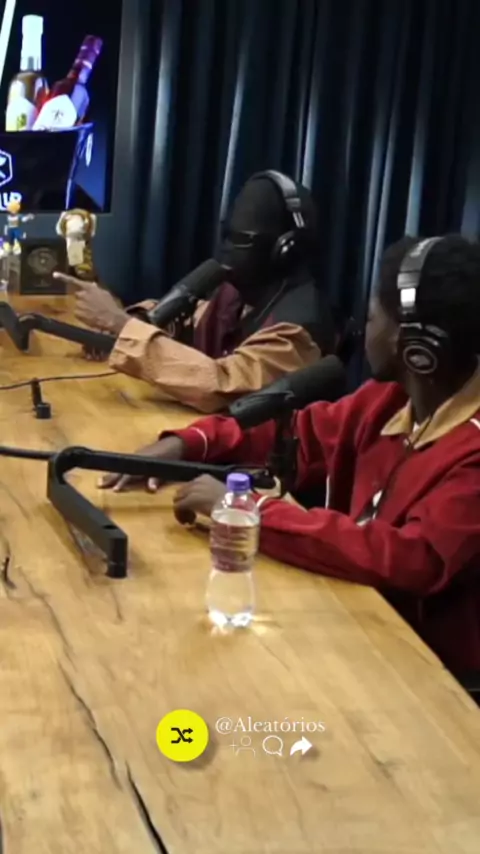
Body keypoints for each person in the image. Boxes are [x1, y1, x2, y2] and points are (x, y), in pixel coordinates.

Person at [100, 235, 480, 678]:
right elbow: (296, 433)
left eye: (374, 317)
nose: (364, 328)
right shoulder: (389, 401)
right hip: (355, 623)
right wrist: (189, 443)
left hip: (425, 675)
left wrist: (249, 511)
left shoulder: (471, 456)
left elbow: (409, 559)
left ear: (417, 347)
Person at [54, 171, 336, 413]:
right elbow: (185, 323)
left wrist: (121, 324)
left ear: (285, 250)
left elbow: (223, 386)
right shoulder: (239, 293)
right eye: (228, 236)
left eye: (242, 240)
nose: (229, 249)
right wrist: (129, 323)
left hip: (248, 455)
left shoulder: (297, 331)